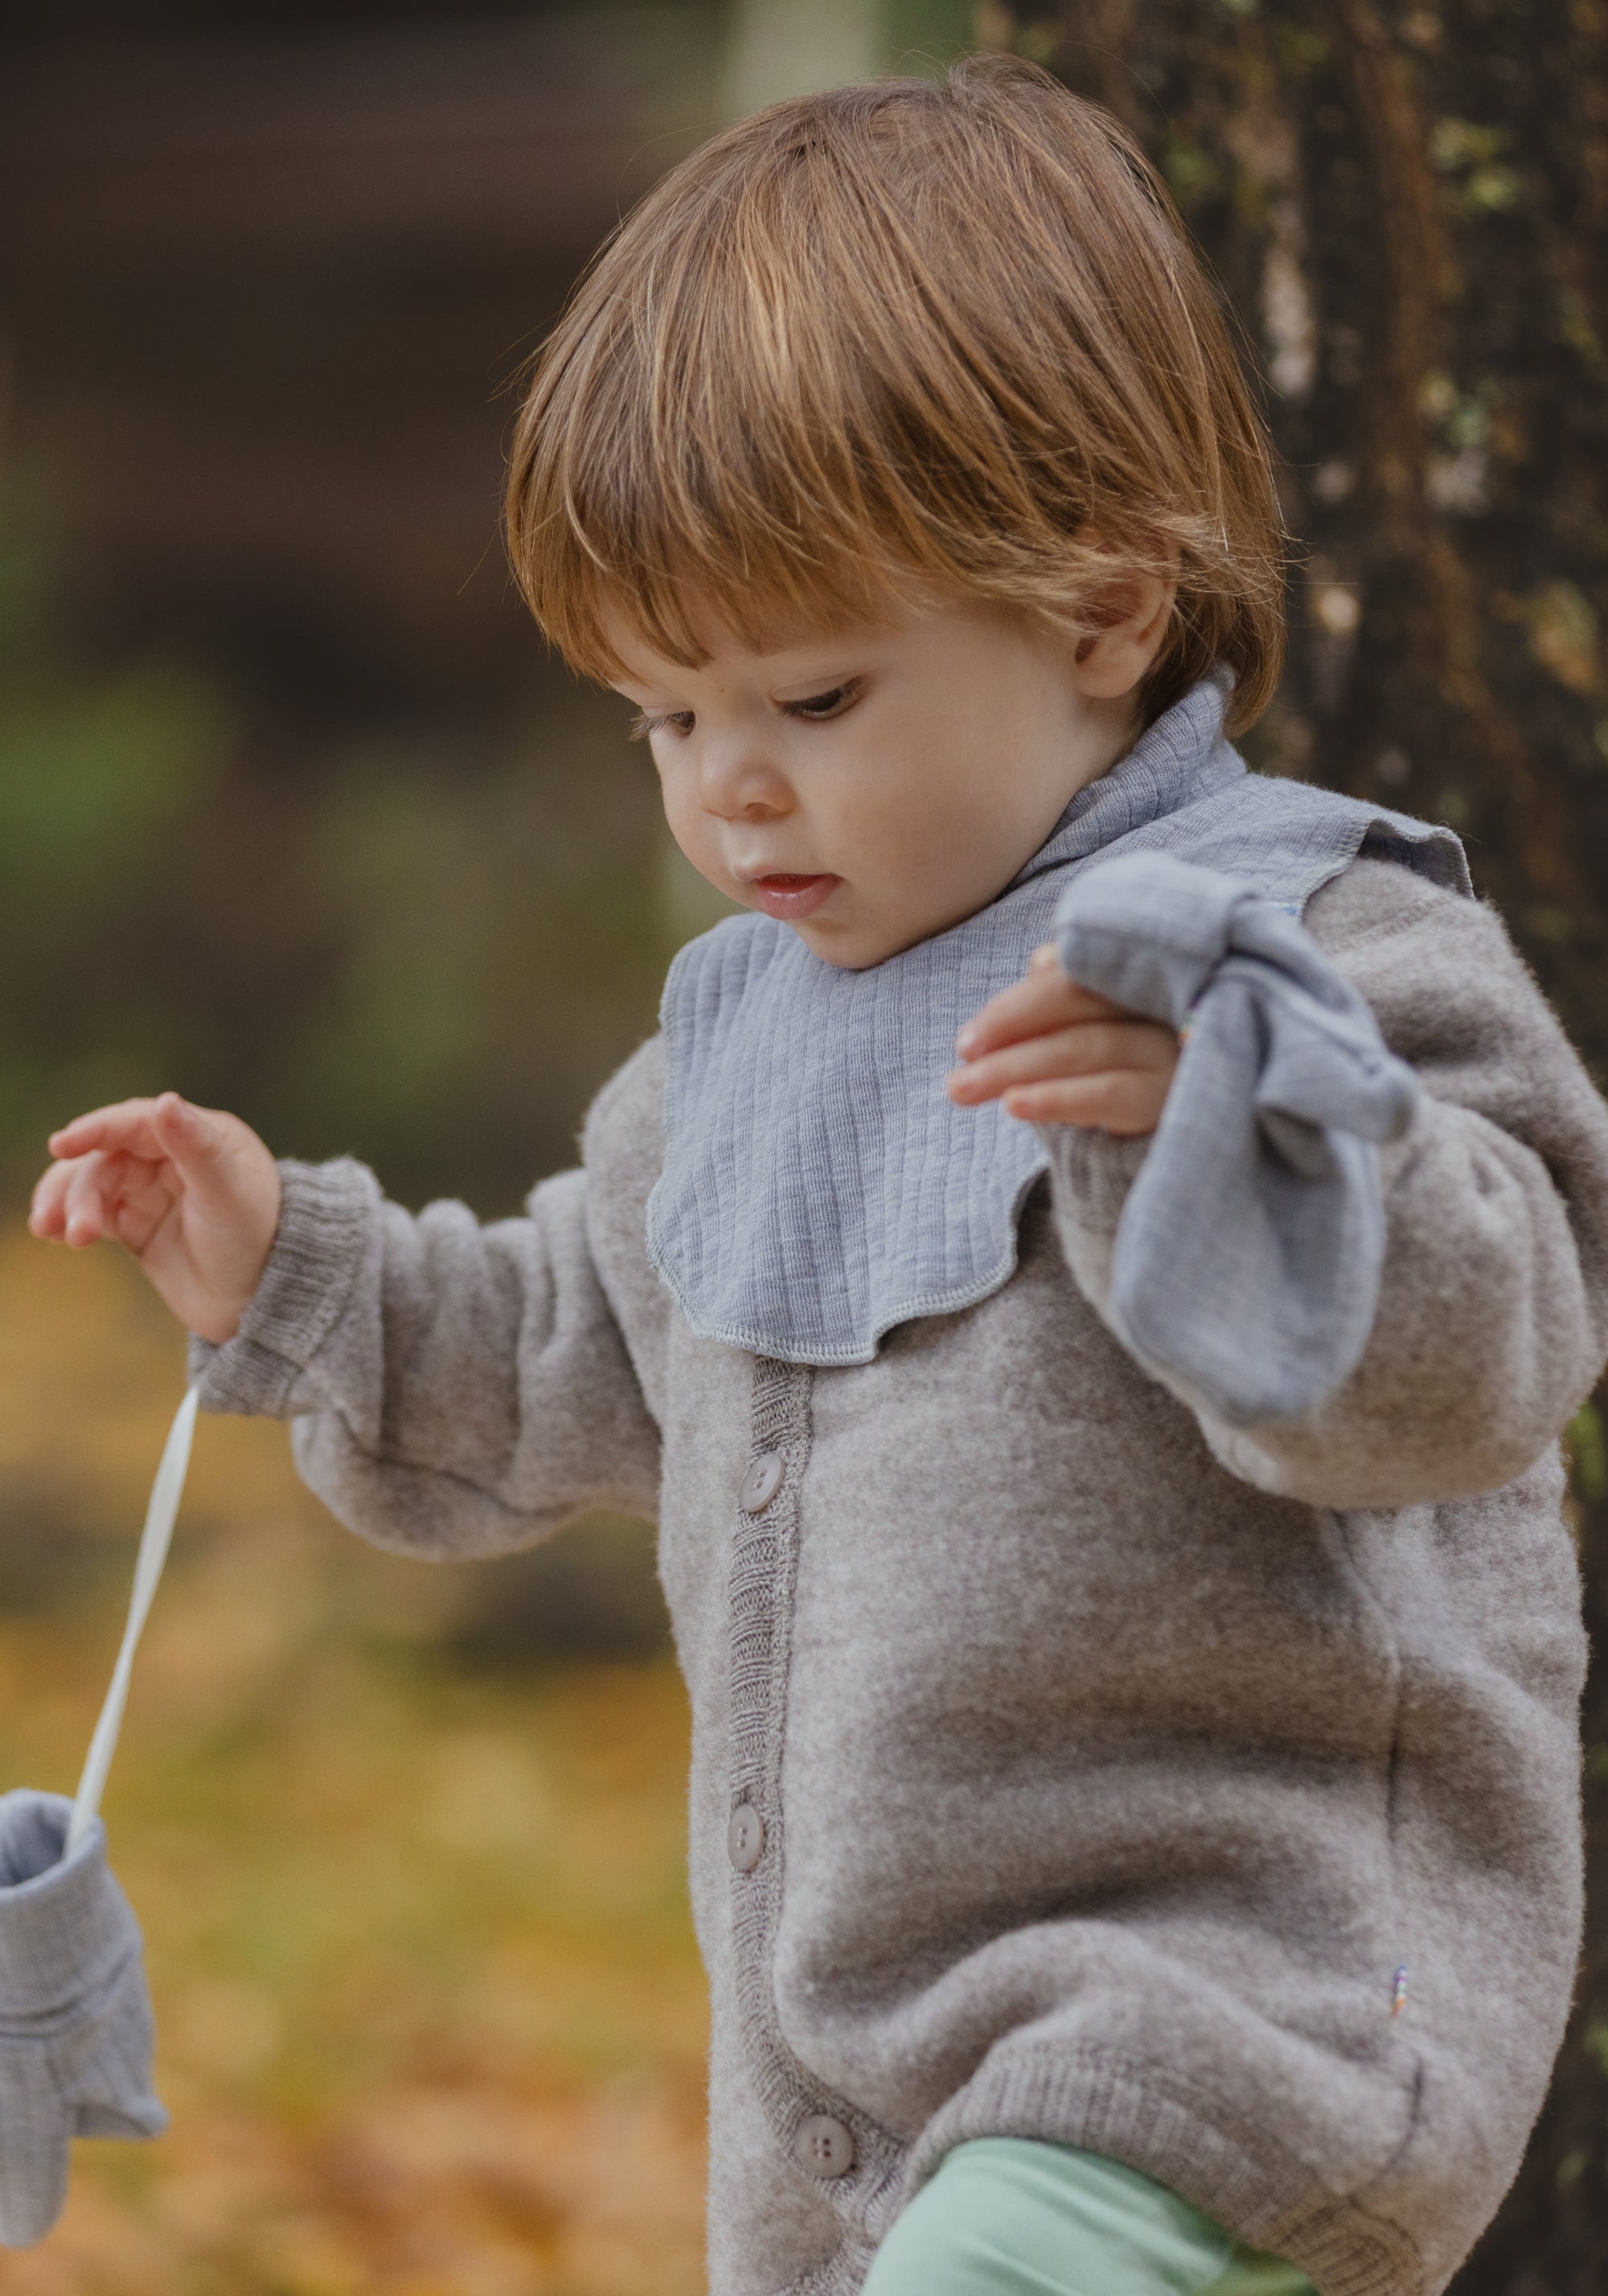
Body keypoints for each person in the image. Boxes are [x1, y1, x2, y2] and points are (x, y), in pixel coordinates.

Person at [28, 55, 1608, 2296]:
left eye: (815, 701)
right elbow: (575, 1336)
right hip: (851, 2112)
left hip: (1220, 2030)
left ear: (1101, 613)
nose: (731, 797)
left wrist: (1244, 1127)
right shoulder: (744, 1039)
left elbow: (1486, 1348)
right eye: (668, 719)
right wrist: (294, 1265)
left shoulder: (1307, 951)